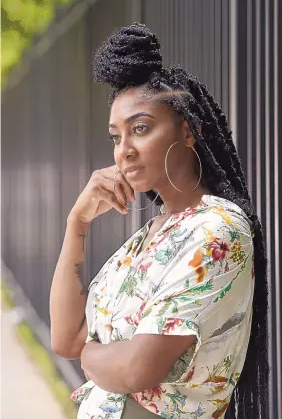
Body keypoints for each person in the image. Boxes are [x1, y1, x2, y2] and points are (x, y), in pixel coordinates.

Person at [49, 23, 269, 418]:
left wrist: (91, 356)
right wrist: (76, 223)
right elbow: (66, 339)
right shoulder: (153, 234)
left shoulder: (217, 229)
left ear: (187, 132)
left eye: (140, 129)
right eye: (116, 136)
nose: (124, 150)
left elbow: (137, 369)